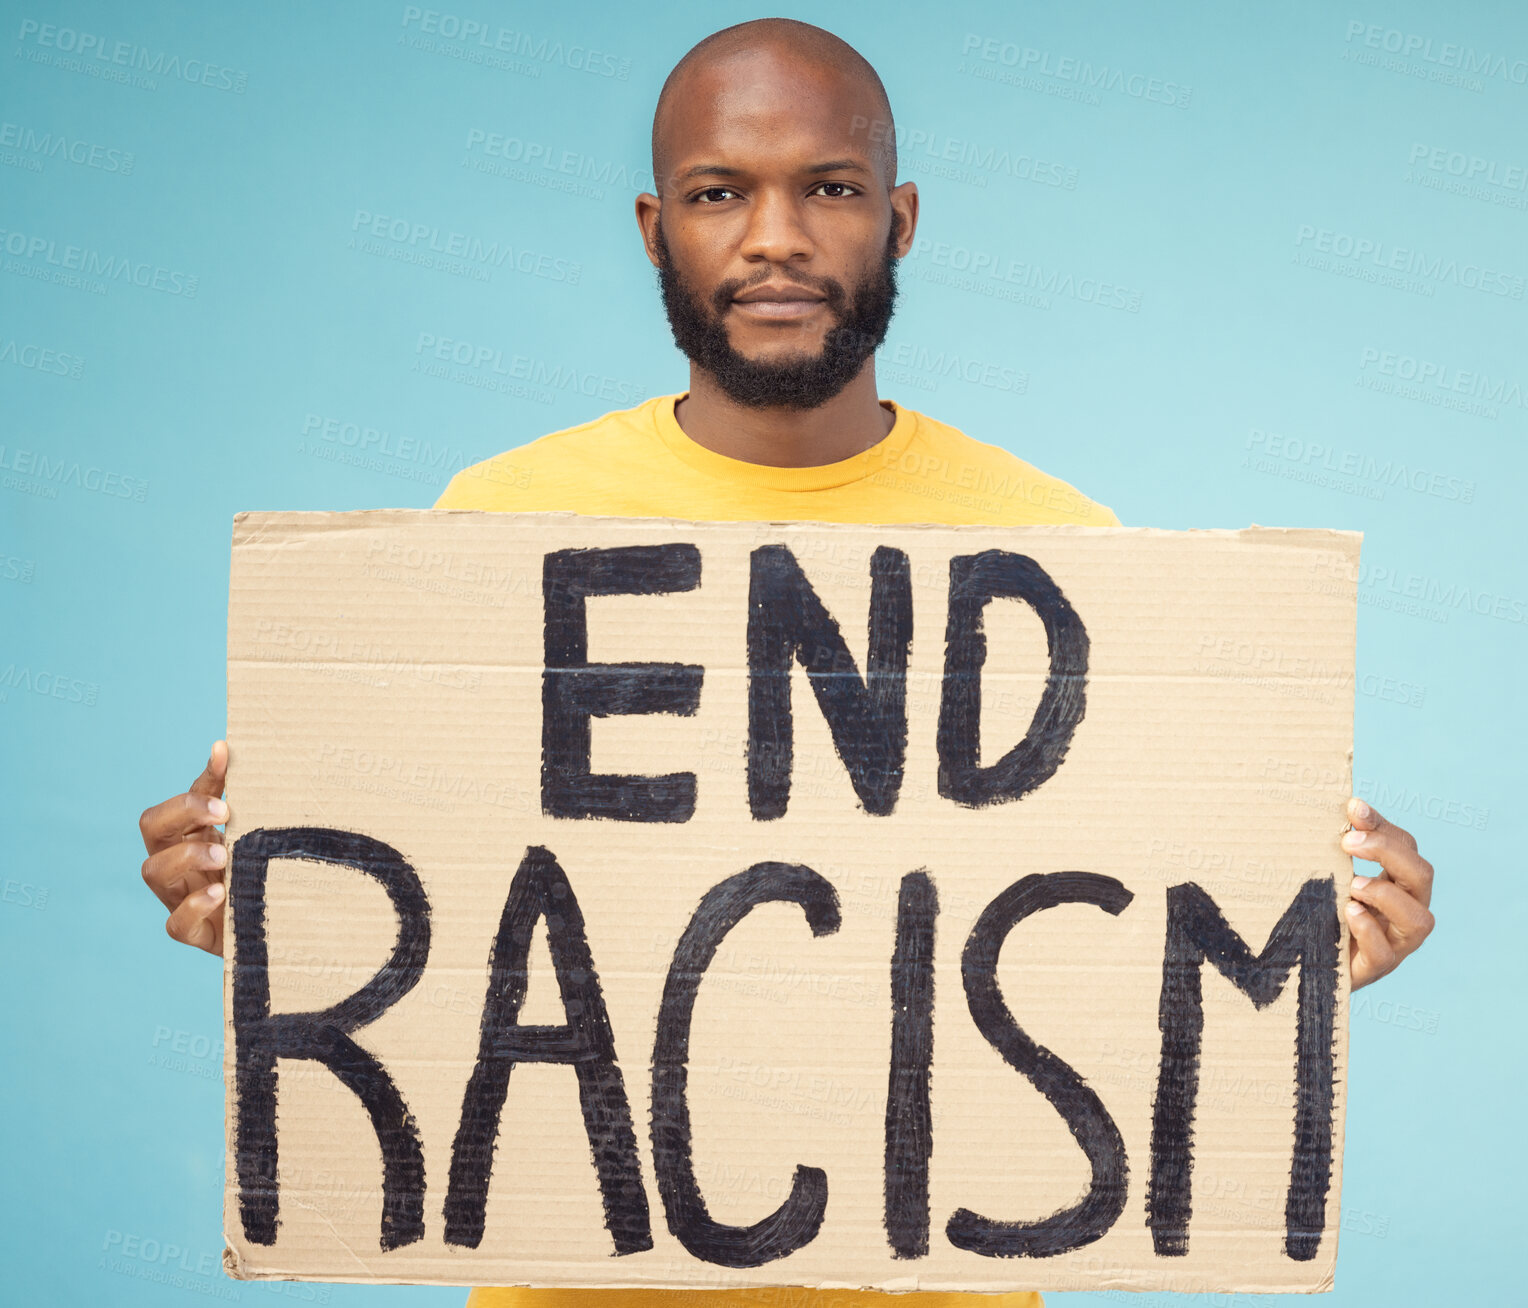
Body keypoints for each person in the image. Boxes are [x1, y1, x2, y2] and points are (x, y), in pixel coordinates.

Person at [137, 18, 1437, 1308]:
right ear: (657, 228)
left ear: (901, 219)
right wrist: (282, 928)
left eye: (830, 187)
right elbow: (461, 916)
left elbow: (1096, 948)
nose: (776, 236)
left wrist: (1286, 961)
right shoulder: (496, 525)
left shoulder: (1054, 552)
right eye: (719, 193)